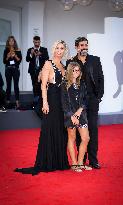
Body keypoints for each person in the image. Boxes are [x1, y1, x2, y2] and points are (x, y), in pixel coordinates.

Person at [15, 40, 70, 175]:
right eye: (57, 48)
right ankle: (48, 162)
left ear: (65, 50)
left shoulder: (63, 66)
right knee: (49, 130)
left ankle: (59, 162)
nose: (59, 50)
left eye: (62, 48)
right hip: (51, 101)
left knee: (60, 131)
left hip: (61, 103)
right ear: (53, 49)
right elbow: (43, 85)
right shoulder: (48, 63)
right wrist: (45, 102)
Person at [67, 37, 104, 169]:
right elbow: (68, 81)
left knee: (93, 130)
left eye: (86, 45)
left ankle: (93, 160)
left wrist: (99, 97)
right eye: (82, 45)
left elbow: (100, 78)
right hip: (78, 104)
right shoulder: (71, 62)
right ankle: (81, 160)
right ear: (77, 47)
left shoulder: (95, 60)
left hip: (92, 101)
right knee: (79, 133)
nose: (84, 47)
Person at [61, 62, 92, 172]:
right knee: (72, 138)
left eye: (78, 70)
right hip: (70, 116)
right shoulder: (64, 85)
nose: (76, 72)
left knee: (85, 138)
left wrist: (79, 111)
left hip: (81, 115)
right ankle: (74, 164)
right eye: (74, 70)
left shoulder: (82, 84)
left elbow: (85, 99)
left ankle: (80, 163)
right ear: (69, 71)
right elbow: (64, 103)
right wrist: (72, 116)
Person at [26, 36, 49, 106]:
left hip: (41, 71)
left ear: (40, 42)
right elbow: (27, 59)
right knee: (34, 86)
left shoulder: (44, 49)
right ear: (33, 42)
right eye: (35, 42)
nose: (37, 43)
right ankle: (36, 102)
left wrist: (40, 54)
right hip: (33, 71)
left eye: (38, 42)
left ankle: (41, 102)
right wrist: (31, 54)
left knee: (42, 86)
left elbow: (47, 59)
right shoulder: (30, 50)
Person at [3, 36, 22, 108]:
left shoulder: (18, 50)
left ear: (14, 42)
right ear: (8, 42)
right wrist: (7, 56)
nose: (11, 42)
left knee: (16, 85)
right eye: (10, 41)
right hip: (8, 69)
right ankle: (8, 101)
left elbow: (19, 61)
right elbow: (4, 62)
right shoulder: (6, 50)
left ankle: (17, 102)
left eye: (12, 41)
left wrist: (15, 56)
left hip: (15, 69)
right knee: (8, 86)